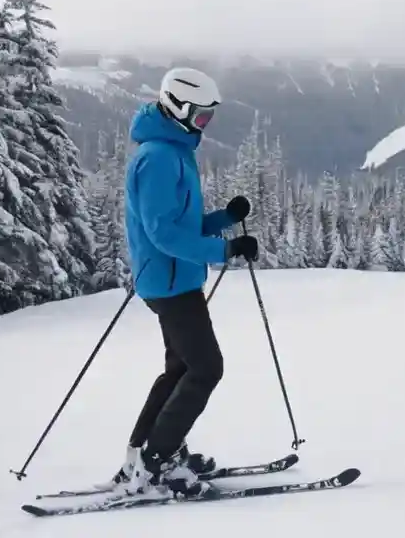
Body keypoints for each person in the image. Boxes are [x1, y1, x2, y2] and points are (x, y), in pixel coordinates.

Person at [107, 66, 260, 498]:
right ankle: (159, 463)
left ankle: (144, 453)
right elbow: (165, 235)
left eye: (209, 116)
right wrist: (225, 250)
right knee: (207, 368)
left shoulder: (172, 149)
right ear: (177, 107)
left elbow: (183, 223)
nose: (205, 124)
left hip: (174, 279)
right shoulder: (157, 157)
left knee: (180, 368)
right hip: (170, 283)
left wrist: (226, 220)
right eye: (201, 116)